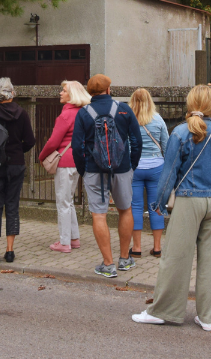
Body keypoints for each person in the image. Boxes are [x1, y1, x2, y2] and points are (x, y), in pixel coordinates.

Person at [131, 85, 211, 332]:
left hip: (190, 200)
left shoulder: (180, 132)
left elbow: (169, 173)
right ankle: (209, 315)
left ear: (190, 104)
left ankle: (164, 311)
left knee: (176, 257)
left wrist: (158, 202)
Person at [71, 73, 142, 279]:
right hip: (122, 169)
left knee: (99, 215)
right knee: (125, 210)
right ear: (109, 89)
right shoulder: (124, 109)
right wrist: (131, 166)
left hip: (94, 170)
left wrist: (84, 170)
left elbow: (77, 147)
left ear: (90, 92)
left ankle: (108, 264)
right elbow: (137, 142)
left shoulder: (83, 113)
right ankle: (125, 259)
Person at [0, 77, 36, 264]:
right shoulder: (22, 113)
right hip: (16, 164)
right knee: (12, 205)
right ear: (12, 93)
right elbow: (30, 141)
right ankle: (10, 251)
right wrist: (18, 151)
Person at [38, 80, 91, 252]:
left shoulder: (66, 115)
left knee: (62, 202)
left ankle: (64, 242)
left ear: (72, 95)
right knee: (69, 201)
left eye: (64, 90)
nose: (61, 93)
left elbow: (54, 141)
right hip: (77, 160)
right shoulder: (84, 114)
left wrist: (42, 155)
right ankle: (74, 238)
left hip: (64, 161)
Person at [128, 88, 170, 258]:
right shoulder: (158, 119)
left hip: (135, 167)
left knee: (135, 207)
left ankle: (136, 248)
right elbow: (166, 144)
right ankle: (157, 247)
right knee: (156, 207)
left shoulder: (128, 119)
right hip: (156, 167)